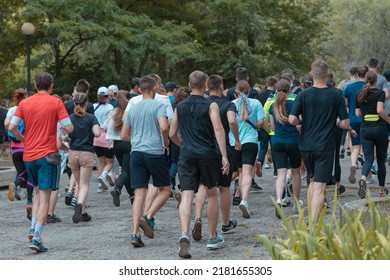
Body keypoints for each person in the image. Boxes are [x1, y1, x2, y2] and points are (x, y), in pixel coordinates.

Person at [9, 72, 73, 252]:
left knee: (37, 194)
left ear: (36, 86)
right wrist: (59, 125)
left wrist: (24, 139)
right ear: (51, 86)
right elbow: (70, 127)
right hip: (47, 155)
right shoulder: (56, 102)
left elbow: (12, 127)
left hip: (28, 156)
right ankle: (37, 237)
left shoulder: (24, 103)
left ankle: (32, 228)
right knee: (44, 196)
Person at [169, 70, 229, 258]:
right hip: (208, 154)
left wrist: (184, 144)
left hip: (187, 155)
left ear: (189, 83)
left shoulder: (180, 107)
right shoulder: (211, 105)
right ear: (205, 85)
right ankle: (212, 237)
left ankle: (184, 233)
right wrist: (225, 155)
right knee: (211, 193)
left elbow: (171, 134)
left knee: (187, 195)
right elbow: (218, 128)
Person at [289, 60, 350, 223]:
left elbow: (292, 119)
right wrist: (336, 122)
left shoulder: (303, 94)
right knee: (319, 186)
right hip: (325, 146)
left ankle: (310, 217)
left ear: (311, 74)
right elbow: (345, 123)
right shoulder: (336, 94)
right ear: (327, 74)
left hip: (306, 146)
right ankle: (313, 222)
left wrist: (302, 121)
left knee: (312, 181)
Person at [121, 75, 170, 248]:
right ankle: (148, 216)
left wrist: (136, 140)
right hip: (154, 152)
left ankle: (135, 233)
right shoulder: (159, 105)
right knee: (165, 189)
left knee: (139, 193)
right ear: (156, 88)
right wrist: (166, 141)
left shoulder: (133, 108)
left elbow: (123, 135)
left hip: (136, 153)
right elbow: (164, 127)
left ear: (140, 90)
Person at [192, 75, 241, 241]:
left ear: (207, 86)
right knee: (224, 187)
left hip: (203, 148)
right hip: (222, 148)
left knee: (203, 185)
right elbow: (232, 121)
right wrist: (237, 139)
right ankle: (226, 223)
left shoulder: (203, 104)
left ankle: (197, 217)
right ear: (221, 87)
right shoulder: (227, 104)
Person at [230, 80, 266, 218]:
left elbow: (230, 122)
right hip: (251, 141)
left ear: (236, 91)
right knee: (247, 173)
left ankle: (236, 195)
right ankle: (244, 200)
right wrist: (256, 125)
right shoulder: (256, 103)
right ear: (249, 91)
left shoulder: (232, 105)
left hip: (235, 142)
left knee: (239, 172)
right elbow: (261, 122)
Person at [269, 79, 302, 218]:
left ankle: (278, 200)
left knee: (281, 173)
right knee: (295, 173)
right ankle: (296, 202)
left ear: (276, 90)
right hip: (293, 141)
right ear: (290, 90)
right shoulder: (294, 104)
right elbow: (298, 124)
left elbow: (272, 127)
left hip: (277, 141)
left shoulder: (273, 106)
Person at [355, 70, 390, 198]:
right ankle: (381, 191)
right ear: (376, 80)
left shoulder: (360, 94)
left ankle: (363, 179)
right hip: (379, 129)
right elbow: (380, 110)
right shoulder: (380, 93)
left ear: (365, 79)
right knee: (381, 161)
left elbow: (358, 114)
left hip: (365, 129)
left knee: (368, 159)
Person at [68, 92, 100, 223]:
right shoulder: (91, 118)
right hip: (86, 153)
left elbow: (65, 132)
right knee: (85, 185)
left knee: (79, 184)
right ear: (86, 103)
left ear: (74, 102)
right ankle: (79, 204)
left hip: (73, 154)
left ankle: (84, 212)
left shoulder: (69, 118)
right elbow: (97, 133)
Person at [4, 88, 34, 220]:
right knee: (29, 176)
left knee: (21, 172)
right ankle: (29, 201)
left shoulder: (12, 110)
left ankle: (16, 185)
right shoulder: (28, 109)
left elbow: (7, 125)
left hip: (15, 149)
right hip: (27, 147)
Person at [107, 91, 134, 207]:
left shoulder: (114, 112)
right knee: (126, 171)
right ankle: (117, 189)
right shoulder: (131, 111)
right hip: (128, 142)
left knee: (125, 170)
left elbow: (107, 127)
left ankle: (132, 195)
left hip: (116, 144)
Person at [343, 65, 368, 185]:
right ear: (367, 75)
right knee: (367, 147)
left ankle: (353, 164)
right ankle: (365, 176)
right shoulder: (369, 87)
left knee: (356, 146)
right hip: (367, 119)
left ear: (357, 74)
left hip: (353, 119)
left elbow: (342, 98)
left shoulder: (350, 86)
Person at [93, 86, 115, 192]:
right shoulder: (110, 107)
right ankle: (104, 176)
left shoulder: (93, 107)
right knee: (110, 162)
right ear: (108, 96)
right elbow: (109, 124)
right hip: (106, 137)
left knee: (101, 163)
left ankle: (100, 186)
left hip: (95, 137)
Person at [255, 76, 277, 177]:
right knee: (274, 148)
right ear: (274, 84)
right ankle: (276, 170)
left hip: (262, 122)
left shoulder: (260, 94)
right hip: (272, 122)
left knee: (263, 147)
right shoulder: (275, 95)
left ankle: (260, 161)